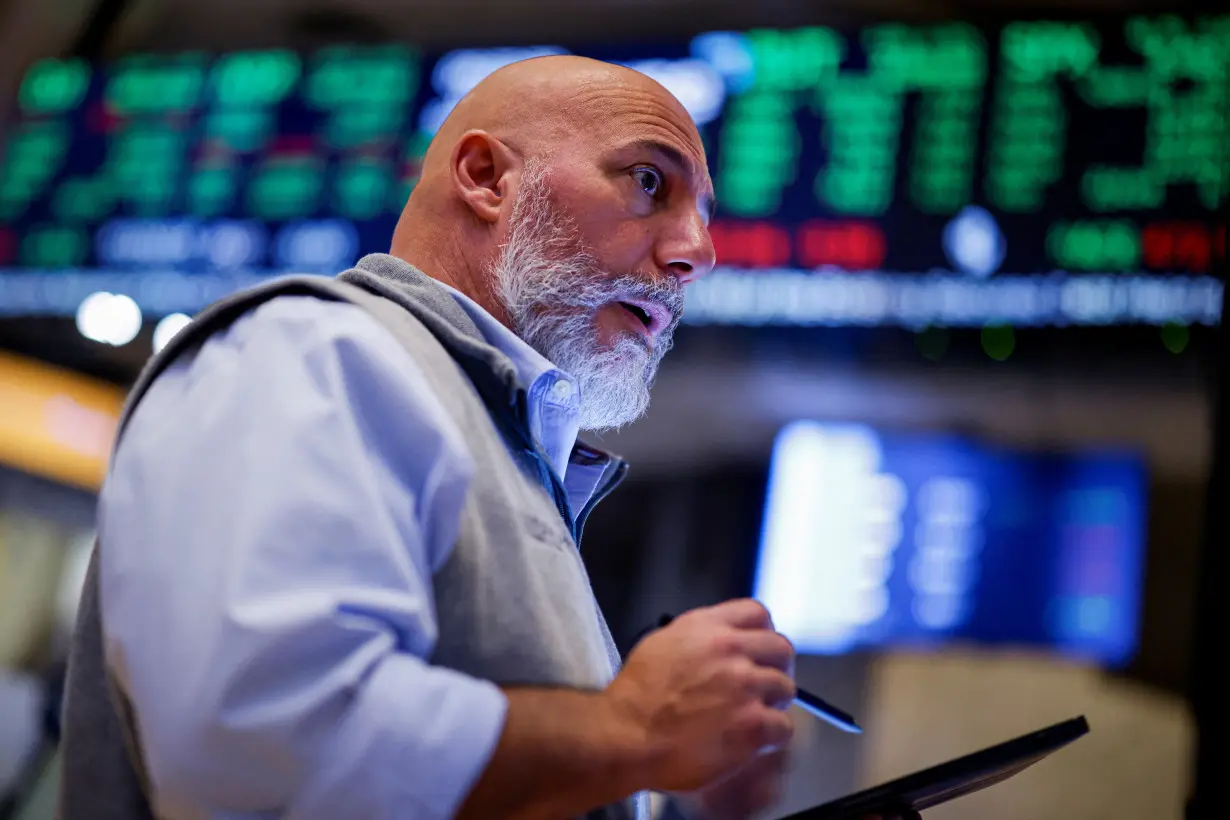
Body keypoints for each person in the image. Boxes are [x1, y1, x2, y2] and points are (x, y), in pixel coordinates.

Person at [58, 56, 913, 820]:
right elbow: (261, 758)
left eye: (702, 211)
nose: (698, 251)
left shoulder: (509, 450)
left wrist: (676, 798)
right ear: (486, 177)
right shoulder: (314, 350)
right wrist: (633, 729)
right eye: (650, 182)